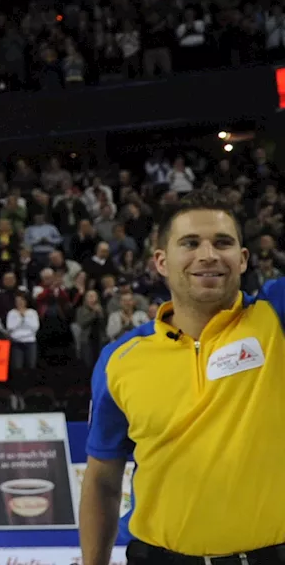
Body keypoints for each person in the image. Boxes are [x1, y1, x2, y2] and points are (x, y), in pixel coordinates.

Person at [81, 192, 285, 565]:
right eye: (190, 243)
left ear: (242, 259)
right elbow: (101, 481)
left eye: (222, 243)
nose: (208, 254)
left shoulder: (276, 318)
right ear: (161, 261)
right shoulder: (120, 360)